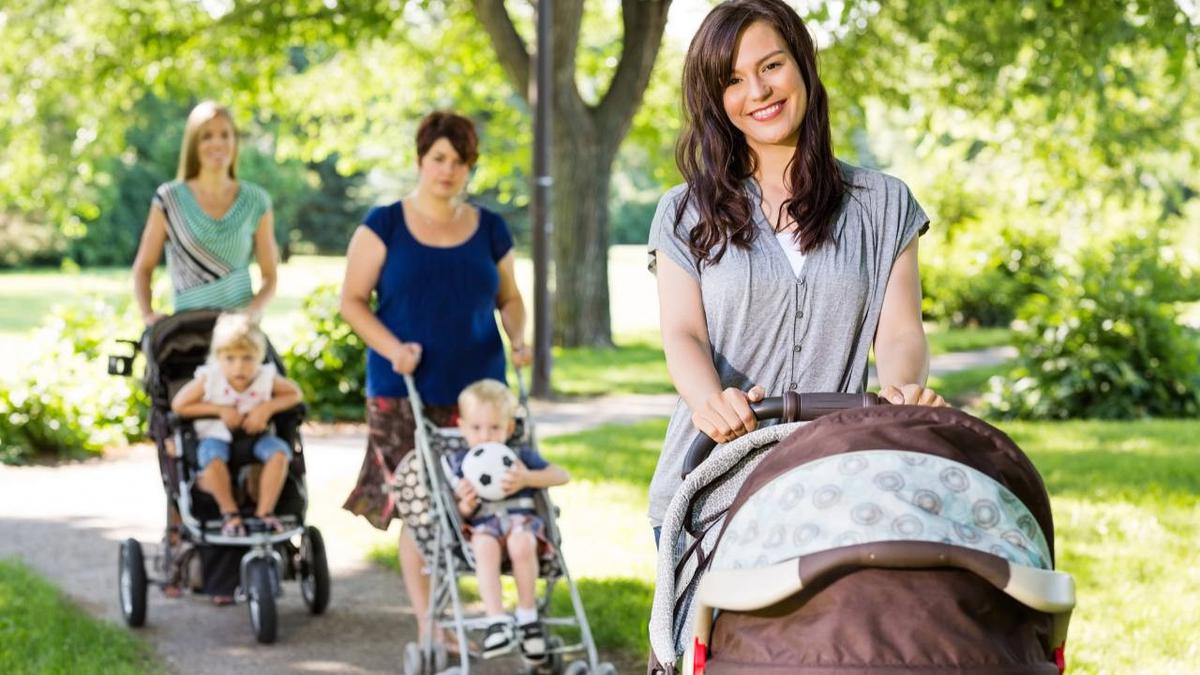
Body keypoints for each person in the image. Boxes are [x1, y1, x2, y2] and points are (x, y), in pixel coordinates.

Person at [647, 0, 947, 540]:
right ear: (717, 101)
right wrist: (710, 403)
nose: (758, 91)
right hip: (710, 491)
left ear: (802, 64)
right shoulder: (684, 211)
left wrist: (902, 392)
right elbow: (683, 332)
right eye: (733, 80)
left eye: (770, 65)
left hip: (833, 488)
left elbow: (901, 330)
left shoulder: (884, 204)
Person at [339, 110, 531, 651]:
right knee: (421, 509)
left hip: (479, 398)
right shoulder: (385, 224)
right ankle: (431, 623)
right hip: (405, 392)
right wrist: (392, 348)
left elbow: (509, 298)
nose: (448, 170)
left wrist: (518, 338)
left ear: (471, 166)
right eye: (439, 159)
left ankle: (504, 612)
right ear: (421, 160)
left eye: (460, 161)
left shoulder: (490, 227)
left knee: (484, 497)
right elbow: (352, 302)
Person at [170, 311, 302, 604]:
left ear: (259, 357)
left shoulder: (266, 378)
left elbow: (294, 394)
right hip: (217, 437)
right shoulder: (210, 378)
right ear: (219, 357)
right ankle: (230, 514)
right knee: (211, 458)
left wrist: (265, 409)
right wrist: (218, 410)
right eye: (230, 358)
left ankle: (264, 513)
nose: (239, 367)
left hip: (255, 438)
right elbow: (180, 405)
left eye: (247, 358)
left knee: (279, 452)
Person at [448, 379, 568, 662]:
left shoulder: (519, 457)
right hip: (484, 528)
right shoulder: (460, 464)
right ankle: (497, 621)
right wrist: (464, 504)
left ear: (509, 428)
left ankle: (528, 618)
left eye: (494, 427)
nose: (485, 436)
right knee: (483, 545)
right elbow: (458, 513)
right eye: (476, 428)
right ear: (462, 427)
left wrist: (528, 477)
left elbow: (562, 475)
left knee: (521, 542)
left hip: (520, 524)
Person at [132, 100, 279, 325]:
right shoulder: (169, 199)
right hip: (186, 334)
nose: (217, 143)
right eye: (207, 136)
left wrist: (251, 313)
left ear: (235, 141)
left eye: (225, 135)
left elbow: (270, 276)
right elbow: (143, 268)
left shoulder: (256, 201)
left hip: (237, 337)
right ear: (194, 144)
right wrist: (148, 315)